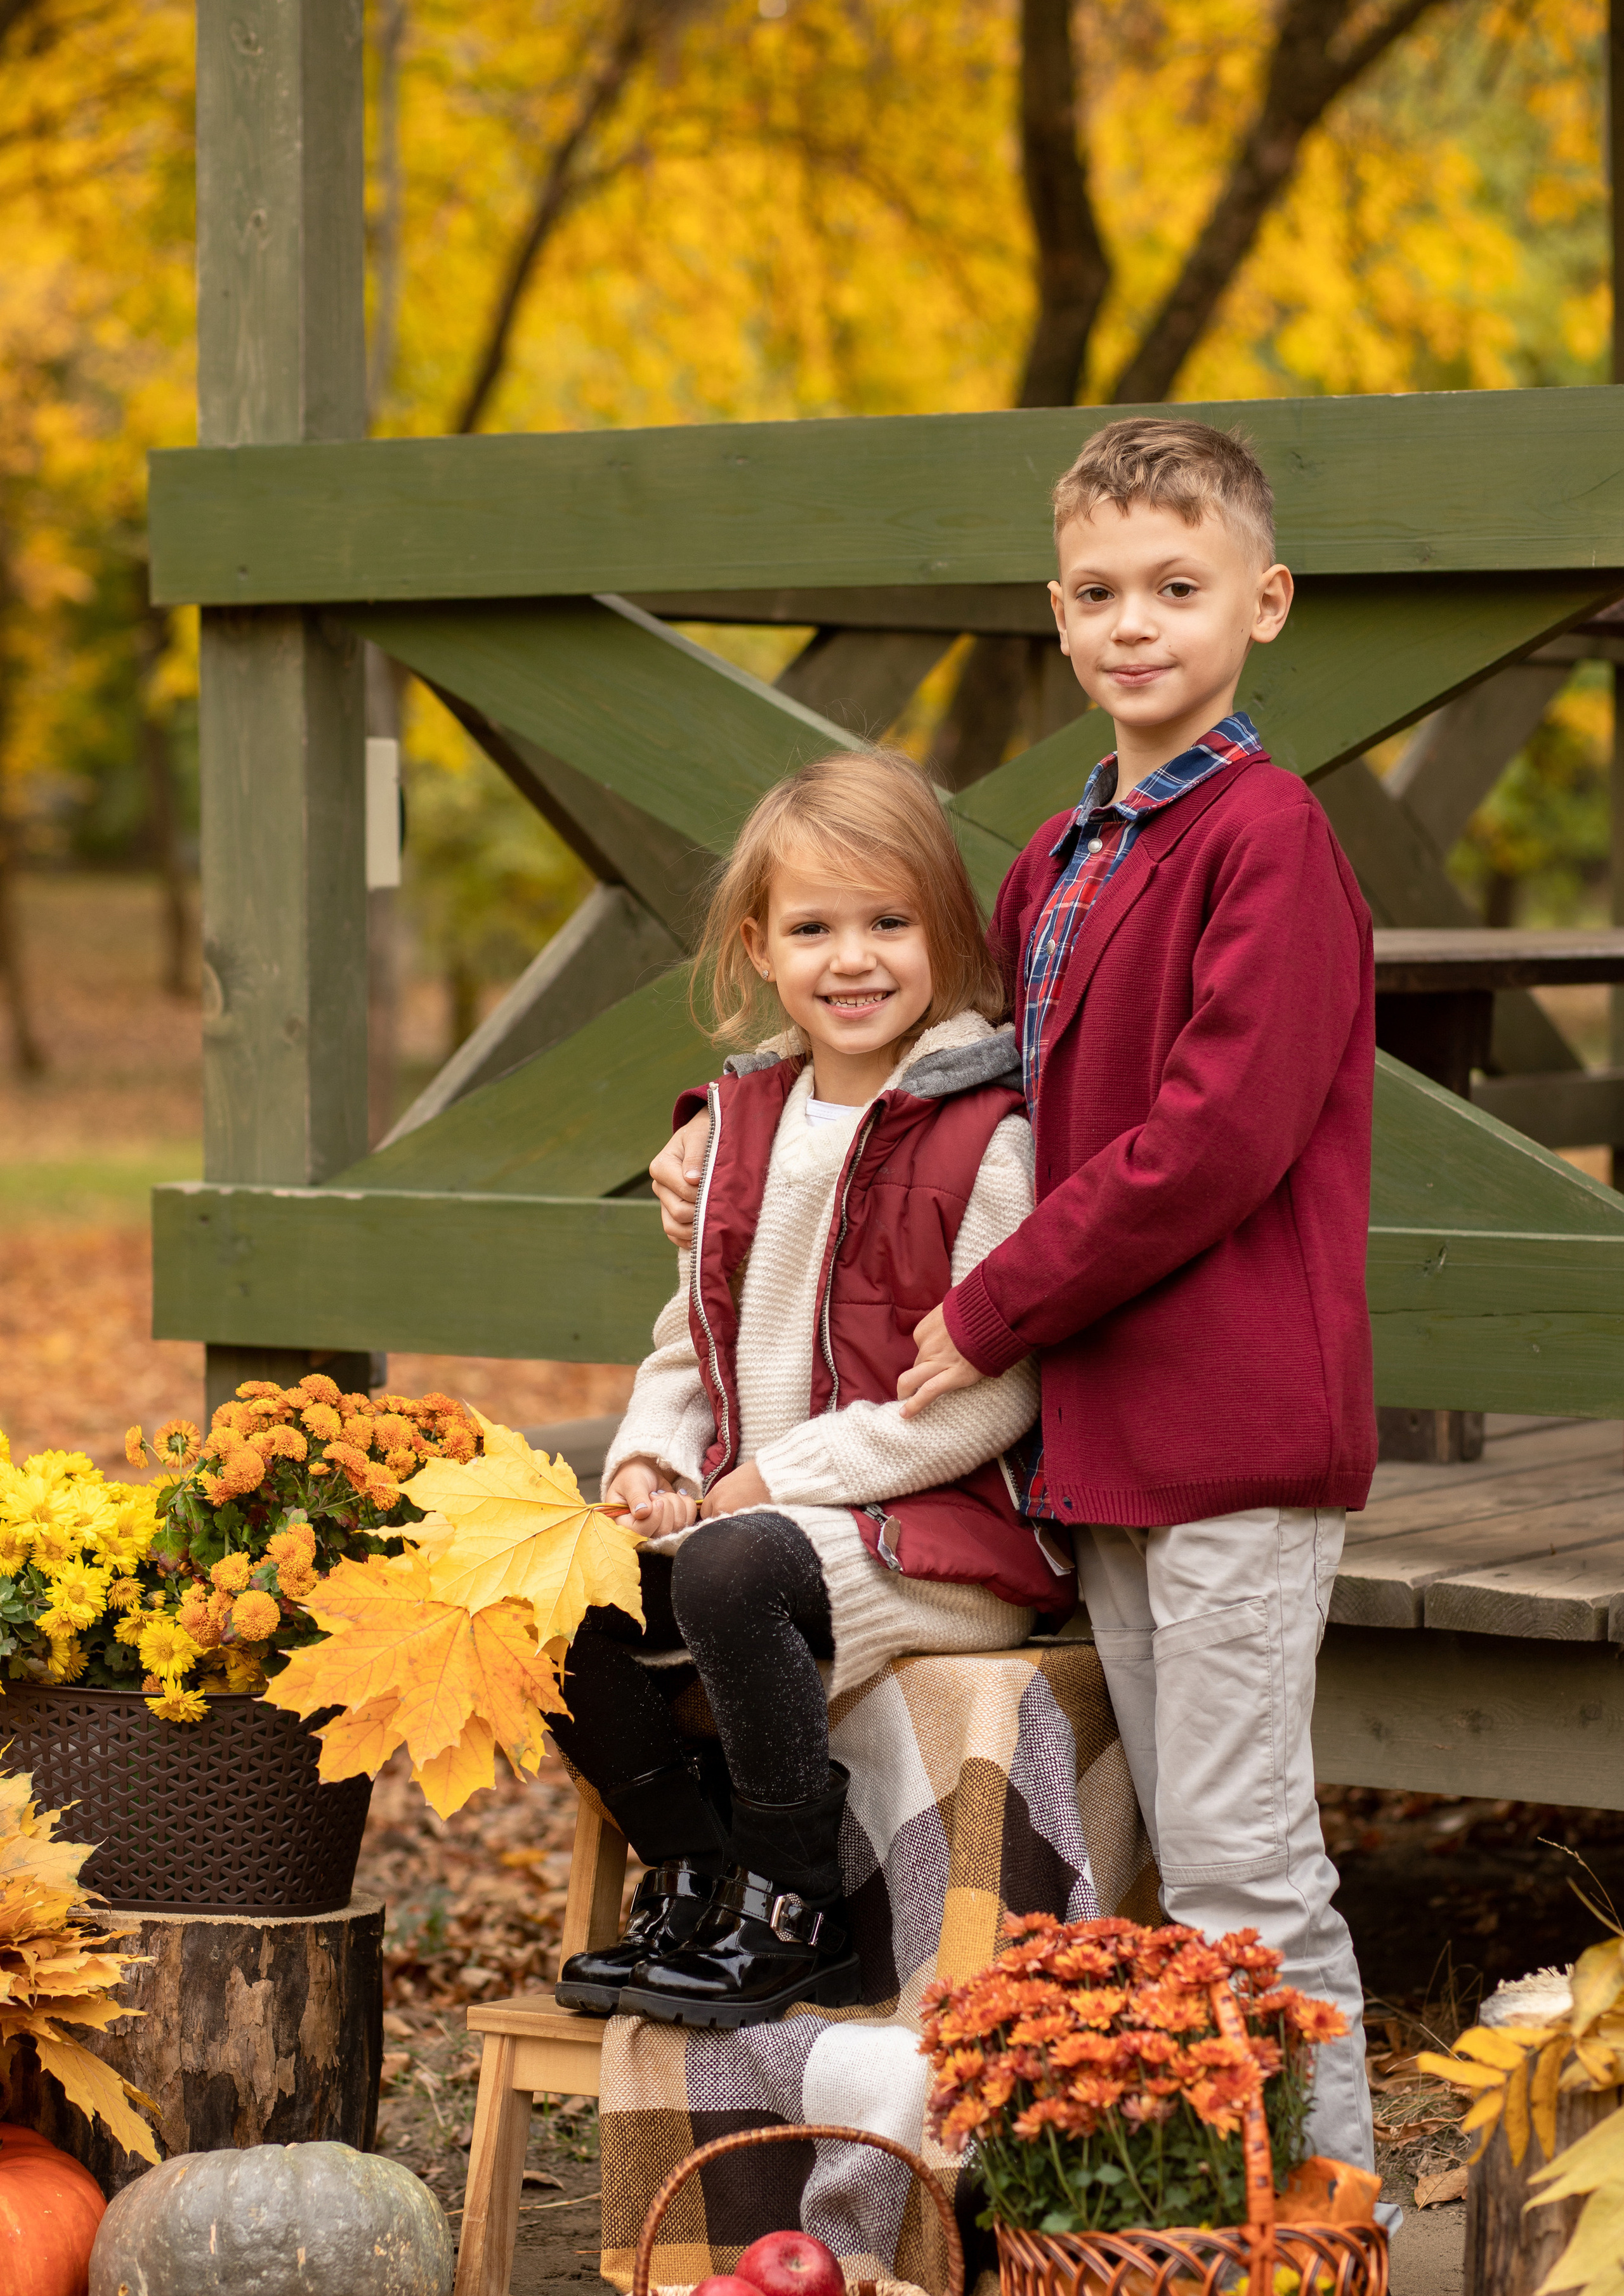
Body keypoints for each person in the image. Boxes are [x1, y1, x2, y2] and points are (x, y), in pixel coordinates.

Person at [648, 420, 1379, 2173]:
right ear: (1058, 616)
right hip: (1099, 1445)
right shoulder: (1061, 856)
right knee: (1172, 1866)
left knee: (1244, 1863)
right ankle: (1190, 2236)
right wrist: (716, 1127)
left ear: (1264, 603)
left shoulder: (1266, 840)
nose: (1136, 624)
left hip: (1231, 1429)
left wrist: (991, 1308)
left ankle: (1327, 2229)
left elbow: (1215, 1139)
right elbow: (935, 1065)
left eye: (1179, 589)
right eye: (1101, 593)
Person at [550, 748, 1074, 2033]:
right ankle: (692, 1871)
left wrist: (773, 1481)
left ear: (945, 935)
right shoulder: (739, 1131)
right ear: (757, 947)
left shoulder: (986, 1141)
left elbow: (987, 1400)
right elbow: (692, 1343)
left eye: (889, 923)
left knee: (731, 1567)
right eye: (812, 929)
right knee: (550, 1605)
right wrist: (652, 1460)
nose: (852, 960)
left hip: (929, 1534)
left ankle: (793, 1904)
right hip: (750, 1521)